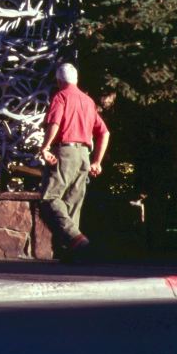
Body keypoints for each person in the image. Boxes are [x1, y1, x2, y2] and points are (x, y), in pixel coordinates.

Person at [40, 63, 110, 260]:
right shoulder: (88, 101)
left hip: (65, 152)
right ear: (76, 80)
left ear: (59, 81)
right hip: (84, 156)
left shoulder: (61, 96)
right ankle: (71, 252)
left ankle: (75, 238)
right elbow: (104, 132)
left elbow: (54, 123)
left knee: (50, 198)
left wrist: (45, 147)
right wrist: (97, 161)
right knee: (72, 203)